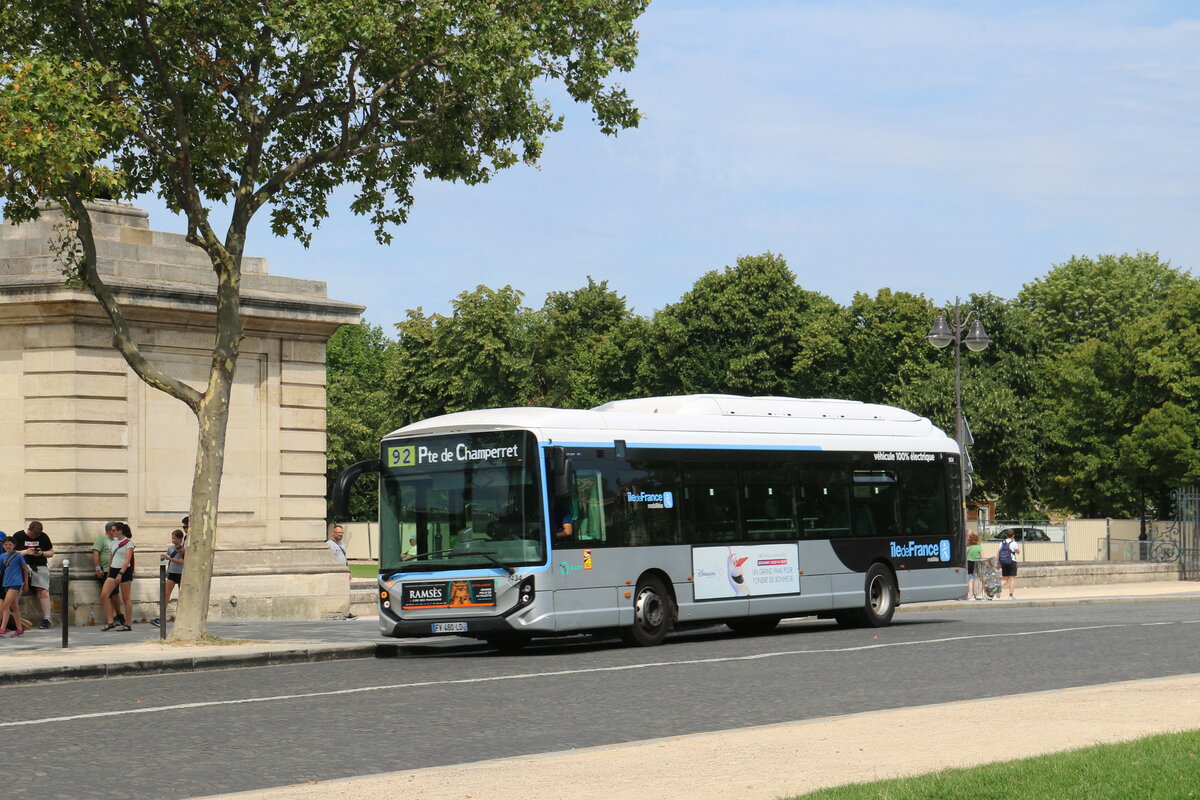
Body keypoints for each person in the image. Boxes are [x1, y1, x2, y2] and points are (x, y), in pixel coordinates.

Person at [12, 520, 54, 628]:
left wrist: (42, 553)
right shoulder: (18, 536)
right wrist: (25, 552)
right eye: (33, 535)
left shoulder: (43, 536)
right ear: (29, 529)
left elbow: (51, 552)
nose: (34, 537)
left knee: (43, 591)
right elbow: (10, 552)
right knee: (17, 588)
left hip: (39, 565)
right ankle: (12, 616)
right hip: (23, 565)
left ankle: (47, 618)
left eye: (37, 535)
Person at [101, 523, 135, 631]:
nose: (112, 532)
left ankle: (127, 624)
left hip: (124, 571)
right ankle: (110, 621)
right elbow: (111, 559)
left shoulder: (128, 543)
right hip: (113, 570)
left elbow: (127, 560)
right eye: (111, 530)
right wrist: (109, 572)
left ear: (120, 531)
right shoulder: (113, 543)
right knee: (104, 595)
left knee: (126, 598)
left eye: (114, 530)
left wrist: (120, 574)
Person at [151, 529, 186, 627]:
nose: (173, 540)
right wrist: (164, 562)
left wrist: (169, 558)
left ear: (180, 539)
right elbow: (168, 560)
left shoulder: (183, 549)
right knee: (166, 595)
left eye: (175, 538)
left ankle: (182, 617)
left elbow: (182, 562)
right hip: (171, 573)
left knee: (183, 596)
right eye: (172, 538)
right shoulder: (170, 548)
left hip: (181, 574)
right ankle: (161, 617)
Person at [92, 521, 124, 626]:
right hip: (105, 571)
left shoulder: (115, 541)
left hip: (114, 570)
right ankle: (114, 617)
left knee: (115, 594)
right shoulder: (101, 539)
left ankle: (118, 615)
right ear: (111, 530)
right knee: (109, 594)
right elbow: (95, 554)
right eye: (115, 530)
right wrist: (98, 568)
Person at [0, 537, 30, 637]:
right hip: (6, 583)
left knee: (5, 605)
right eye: (6, 545)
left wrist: (25, 584)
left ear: (14, 545)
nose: (8, 546)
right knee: (14, 607)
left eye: (10, 544)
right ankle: (19, 629)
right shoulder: (1, 556)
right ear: (3, 546)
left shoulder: (18, 556)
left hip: (16, 582)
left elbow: (25, 570)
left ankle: (2, 629)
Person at [327, 524, 356, 619]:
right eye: (338, 532)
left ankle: (346, 612)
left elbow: (344, 558)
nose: (340, 534)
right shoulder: (329, 545)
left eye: (342, 532)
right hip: (336, 573)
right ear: (333, 533)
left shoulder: (342, 544)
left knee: (346, 593)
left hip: (344, 573)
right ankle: (336, 613)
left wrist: (348, 571)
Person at [998, 529, 1020, 599]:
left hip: (1004, 562)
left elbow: (998, 553)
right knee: (1012, 579)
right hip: (1012, 561)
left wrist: (998, 563)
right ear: (1013, 536)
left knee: (1005, 578)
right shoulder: (1014, 543)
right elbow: (1018, 552)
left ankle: (997, 588)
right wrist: (1014, 542)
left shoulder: (1001, 543)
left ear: (1006, 535)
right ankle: (1010, 595)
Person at [965, 532, 982, 600]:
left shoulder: (967, 548)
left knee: (970, 580)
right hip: (977, 564)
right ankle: (978, 594)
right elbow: (982, 558)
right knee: (980, 579)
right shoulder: (979, 547)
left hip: (969, 564)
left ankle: (971, 595)